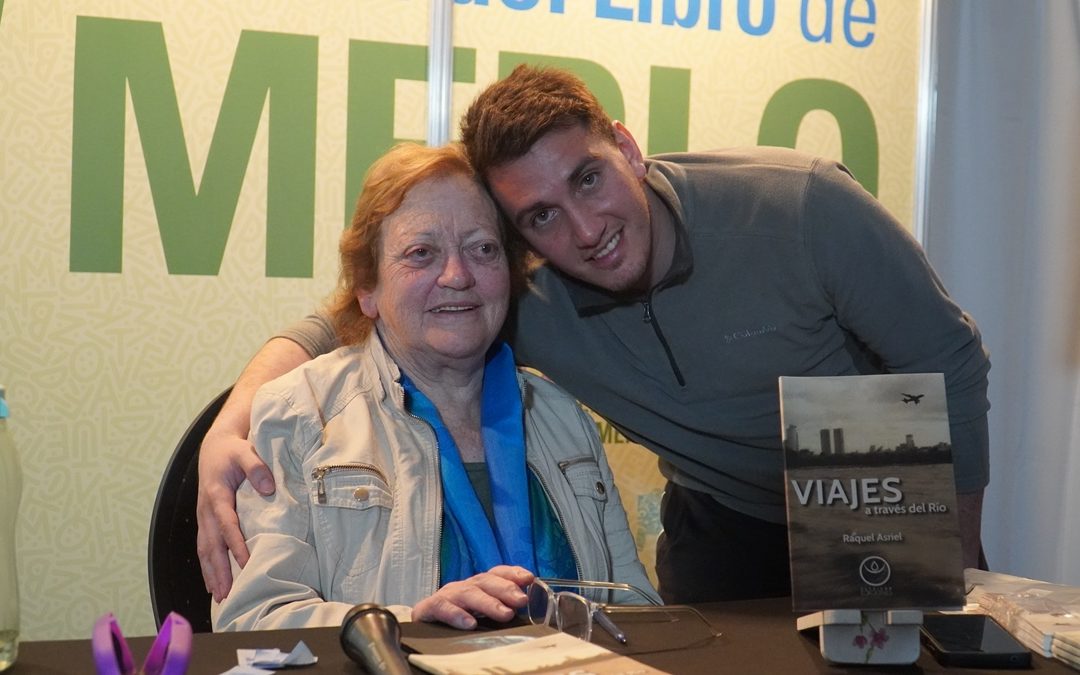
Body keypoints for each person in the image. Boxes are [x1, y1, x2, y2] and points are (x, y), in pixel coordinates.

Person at [199, 65, 991, 606]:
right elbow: (350, 315)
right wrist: (230, 424)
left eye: (588, 178)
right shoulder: (519, 291)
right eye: (538, 216)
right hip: (719, 521)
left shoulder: (801, 205)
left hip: (865, 494)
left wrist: (957, 544)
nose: (584, 230)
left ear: (627, 146)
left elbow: (948, 355)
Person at [211, 142, 658, 631]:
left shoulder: (561, 415)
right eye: (421, 254)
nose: (457, 275)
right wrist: (407, 625)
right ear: (368, 288)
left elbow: (636, 613)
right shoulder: (298, 414)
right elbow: (251, 624)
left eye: (482, 249)